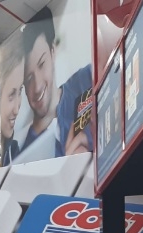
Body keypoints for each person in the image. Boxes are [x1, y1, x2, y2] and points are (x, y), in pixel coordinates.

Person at [21, 7, 94, 158]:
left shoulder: (85, 80)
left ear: (53, 52)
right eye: (29, 78)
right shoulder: (25, 153)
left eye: (41, 64)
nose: (37, 85)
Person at [0, 40, 26, 166]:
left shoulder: (14, 150)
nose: (16, 110)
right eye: (11, 95)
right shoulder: (10, 154)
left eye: (20, 91)